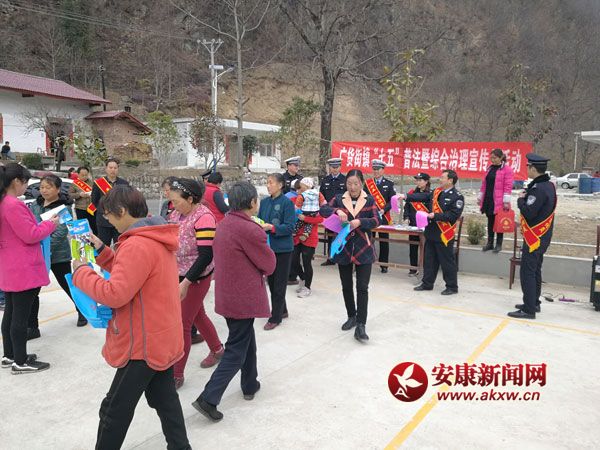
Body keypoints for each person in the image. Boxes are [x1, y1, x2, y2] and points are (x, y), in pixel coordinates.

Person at [72, 185, 191, 449]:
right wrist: (103, 251)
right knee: (165, 401)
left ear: (122, 211)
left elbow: (115, 293)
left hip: (143, 344)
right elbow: (134, 274)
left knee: (113, 411)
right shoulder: (154, 235)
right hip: (160, 335)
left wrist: (81, 273)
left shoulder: (136, 244)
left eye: (108, 214)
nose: (107, 220)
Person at [192, 181, 276, 422]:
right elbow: (269, 264)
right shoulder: (250, 229)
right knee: (236, 349)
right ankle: (208, 398)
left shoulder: (225, 223)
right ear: (252, 202)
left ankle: (249, 384)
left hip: (228, 296)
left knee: (245, 339)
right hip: (243, 299)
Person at [0, 163, 58, 374]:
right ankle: (21, 361)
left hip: (10, 265)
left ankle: (10, 355)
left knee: (11, 313)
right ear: (16, 181)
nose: (26, 187)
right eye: (25, 183)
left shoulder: (3, 202)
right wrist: (51, 224)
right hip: (22, 266)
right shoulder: (13, 205)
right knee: (20, 317)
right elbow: (31, 234)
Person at [169, 178, 224, 389]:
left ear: (190, 199)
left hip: (196, 277)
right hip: (179, 273)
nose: (174, 205)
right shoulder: (177, 214)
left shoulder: (204, 217)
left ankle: (177, 374)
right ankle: (218, 349)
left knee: (183, 324)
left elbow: (205, 255)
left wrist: (186, 282)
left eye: (177, 201)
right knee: (198, 315)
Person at [320, 169, 380, 342]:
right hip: (344, 247)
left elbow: (377, 220)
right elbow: (323, 209)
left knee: (362, 287)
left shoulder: (369, 200)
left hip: (363, 248)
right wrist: (336, 211)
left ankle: (361, 324)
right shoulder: (339, 199)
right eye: (349, 184)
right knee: (346, 285)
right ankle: (351, 316)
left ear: (361, 183)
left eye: (356, 184)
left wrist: (360, 221)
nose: (352, 187)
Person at [30, 174, 87, 329]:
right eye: (42, 187)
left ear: (58, 189)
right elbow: (32, 225)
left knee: (68, 285)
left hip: (58, 255)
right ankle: (32, 326)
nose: (44, 190)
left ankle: (82, 311)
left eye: (48, 187)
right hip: (38, 254)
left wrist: (45, 248)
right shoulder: (35, 204)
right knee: (32, 291)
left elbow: (61, 232)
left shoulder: (63, 207)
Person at [508, 154, 557, 320]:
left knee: (527, 272)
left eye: (528, 167)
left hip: (535, 238)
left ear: (533, 168)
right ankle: (534, 303)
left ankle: (529, 310)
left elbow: (529, 212)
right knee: (535, 270)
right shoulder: (548, 185)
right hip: (541, 236)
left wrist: (520, 200)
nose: (527, 169)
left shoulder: (538, 189)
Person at [401, 170, 464, 295]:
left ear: (450, 180)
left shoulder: (457, 196)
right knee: (429, 260)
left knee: (447, 262)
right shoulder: (436, 192)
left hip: (444, 234)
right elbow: (422, 197)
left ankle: (452, 286)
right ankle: (427, 283)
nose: (440, 179)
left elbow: (453, 215)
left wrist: (435, 215)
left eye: (442, 177)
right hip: (431, 232)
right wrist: (406, 196)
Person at [258, 172, 296, 330]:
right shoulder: (264, 202)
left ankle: (276, 317)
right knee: (272, 282)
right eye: (267, 182)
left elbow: (290, 227)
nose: (268, 185)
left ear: (280, 185)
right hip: (268, 248)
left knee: (279, 284)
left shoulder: (287, 203)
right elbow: (260, 220)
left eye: (271, 182)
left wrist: (272, 228)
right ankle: (283, 310)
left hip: (283, 249)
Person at [291, 177, 325, 297]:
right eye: (297, 189)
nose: (299, 191)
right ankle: (303, 278)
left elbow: (320, 219)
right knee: (293, 260)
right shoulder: (295, 199)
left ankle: (307, 287)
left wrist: (306, 218)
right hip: (296, 235)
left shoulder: (316, 198)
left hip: (310, 236)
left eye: (300, 188)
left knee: (306, 262)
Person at [478, 148, 514, 253]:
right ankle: (490, 243)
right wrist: (480, 196)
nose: (492, 160)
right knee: (490, 221)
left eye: (495, 158)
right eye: (491, 158)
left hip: (499, 200)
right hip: (488, 198)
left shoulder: (507, 169)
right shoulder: (489, 168)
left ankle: (498, 244)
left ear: (501, 157)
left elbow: (508, 186)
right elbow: (484, 184)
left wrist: (506, 200)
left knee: (499, 221)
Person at [364, 159, 396, 273]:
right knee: (368, 239)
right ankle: (366, 261)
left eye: (378, 169)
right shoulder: (368, 184)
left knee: (384, 241)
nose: (376, 171)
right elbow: (364, 198)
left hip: (384, 217)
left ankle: (384, 265)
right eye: (374, 169)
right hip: (370, 217)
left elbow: (392, 201)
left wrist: (383, 210)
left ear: (383, 170)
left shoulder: (389, 184)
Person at [91, 158, 129, 247]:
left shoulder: (124, 183)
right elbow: (95, 201)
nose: (113, 170)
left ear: (118, 169)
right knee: (103, 247)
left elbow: (127, 200)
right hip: (103, 220)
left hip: (120, 220)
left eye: (115, 168)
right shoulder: (98, 183)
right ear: (106, 169)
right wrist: (106, 212)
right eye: (110, 168)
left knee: (119, 246)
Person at [403, 172, 432, 276]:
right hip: (413, 224)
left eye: (420, 180)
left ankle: (424, 269)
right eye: (417, 180)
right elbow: (407, 207)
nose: (418, 182)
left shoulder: (431, 194)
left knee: (425, 248)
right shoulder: (412, 193)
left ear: (426, 181)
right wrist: (406, 217)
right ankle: (413, 269)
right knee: (413, 247)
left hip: (426, 226)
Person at [320, 157, 347, 266]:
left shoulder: (345, 180)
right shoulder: (325, 180)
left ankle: (342, 258)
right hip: (330, 213)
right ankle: (331, 258)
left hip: (342, 213)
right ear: (329, 168)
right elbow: (321, 196)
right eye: (332, 167)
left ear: (340, 167)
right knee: (330, 235)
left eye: (337, 167)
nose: (335, 169)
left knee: (342, 235)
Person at [69, 166, 97, 234]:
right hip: (80, 209)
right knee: (81, 229)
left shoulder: (93, 183)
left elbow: (97, 194)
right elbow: (70, 195)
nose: (84, 176)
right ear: (78, 174)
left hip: (92, 208)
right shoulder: (74, 184)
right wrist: (79, 195)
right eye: (82, 175)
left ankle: (95, 241)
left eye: (86, 175)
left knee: (95, 228)